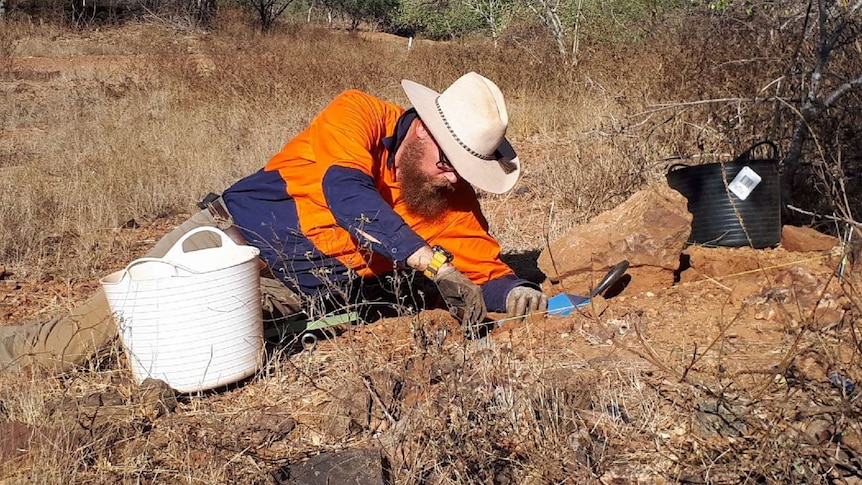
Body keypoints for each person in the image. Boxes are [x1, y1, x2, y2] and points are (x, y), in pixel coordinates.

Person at [0, 72, 547, 374]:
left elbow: (487, 270)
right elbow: (346, 192)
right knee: (70, 344)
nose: (454, 179)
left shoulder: (448, 196)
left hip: (292, 292)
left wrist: (516, 292)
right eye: (450, 161)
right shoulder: (356, 113)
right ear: (423, 129)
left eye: (466, 168)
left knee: (178, 354)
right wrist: (427, 259)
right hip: (225, 239)